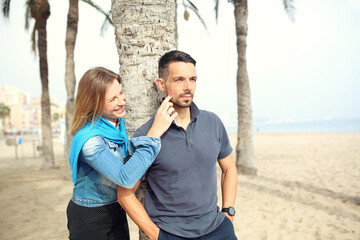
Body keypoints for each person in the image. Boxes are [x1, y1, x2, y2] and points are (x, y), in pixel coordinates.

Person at [117, 50, 238, 240]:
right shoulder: (146, 136)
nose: (188, 87)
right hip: (171, 234)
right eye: (179, 79)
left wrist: (228, 212)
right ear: (161, 84)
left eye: (193, 79)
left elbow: (229, 169)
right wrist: (156, 235)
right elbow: (125, 193)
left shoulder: (213, 122)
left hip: (218, 229)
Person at [66, 67, 177, 240]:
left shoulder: (118, 124)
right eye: (112, 99)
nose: (122, 101)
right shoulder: (90, 141)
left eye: (121, 92)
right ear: (94, 104)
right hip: (89, 215)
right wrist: (154, 133)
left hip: (116, 209)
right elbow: (125, 177)